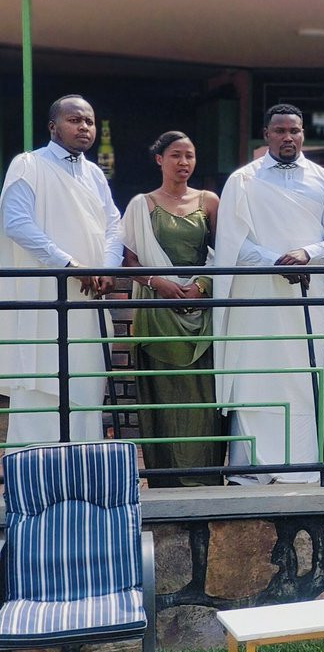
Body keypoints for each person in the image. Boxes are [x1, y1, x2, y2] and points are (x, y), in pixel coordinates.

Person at [214, 104, 324, 485]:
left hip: (307, 296)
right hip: (256, 297)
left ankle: (302, 468)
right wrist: (274, 261)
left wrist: (307, 254)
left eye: (295, 130)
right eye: (280, 131)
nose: (288, 137)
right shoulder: (243, 180)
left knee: (302, 377)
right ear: (266, 134)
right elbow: (233, 243)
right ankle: (249, 472)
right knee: (255, 374)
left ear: (303, 133)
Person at [0, 95, 121, 444]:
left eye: (89, 121)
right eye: (75, 120)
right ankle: (38, 471)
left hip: (89, 300)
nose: (84, 127)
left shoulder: (95, 173)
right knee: (42, 385)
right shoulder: (29, 164)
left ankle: (82, 471)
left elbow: (114, 226)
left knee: (87, 389)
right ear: (53, 126)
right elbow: (16, 222)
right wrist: (68, 265)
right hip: (45, 300)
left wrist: (107, 267)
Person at [122, 131, 224, 486]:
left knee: (204, 396)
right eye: (176, 155)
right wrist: (159, 283)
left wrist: (201, 286)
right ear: (159, 160)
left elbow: (225, 254)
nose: (183, 162)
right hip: (157, 312)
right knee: (162, 397)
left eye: (189, 155)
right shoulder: (142, 205)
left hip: (201, 311)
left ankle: (206, 478)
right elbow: (130, 261)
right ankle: (165, 479)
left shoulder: (209, 201)